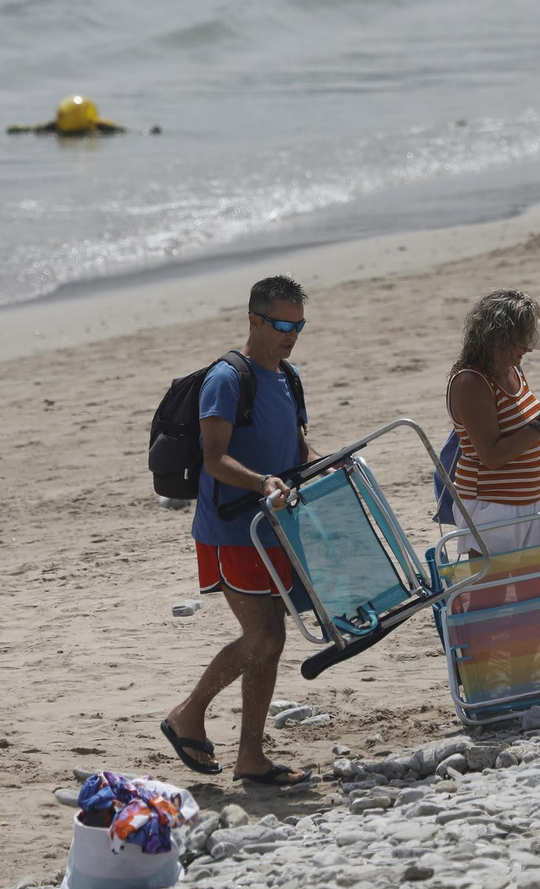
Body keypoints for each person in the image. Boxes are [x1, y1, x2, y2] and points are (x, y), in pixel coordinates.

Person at [161, 275, 319, 787]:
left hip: (275, 526)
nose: (289, 334)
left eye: (297, 325)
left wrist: (331, 468)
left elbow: (298, 449)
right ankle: (187, 713)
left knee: (271, 642)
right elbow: (213, 459)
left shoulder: (288, 377)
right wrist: (262, 482)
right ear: (253, 320)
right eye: (280, 324)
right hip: (233, 528)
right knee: (265, 636)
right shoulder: (228, 379)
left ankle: (251, 755)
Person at [446, 290, 540, 556]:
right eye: (522, 340)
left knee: (537, 590)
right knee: (493, 593)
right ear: (499, 338)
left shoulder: (513, 370)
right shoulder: (471, 382)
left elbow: (520, 431)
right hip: (491, 505)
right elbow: (492, 456)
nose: (528, 348)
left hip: (531, 500)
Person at [7, 95, 128, 136]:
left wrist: (21, 128)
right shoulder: (95, 126)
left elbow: (35, 129)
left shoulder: (58, 126)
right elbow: (121, 130)